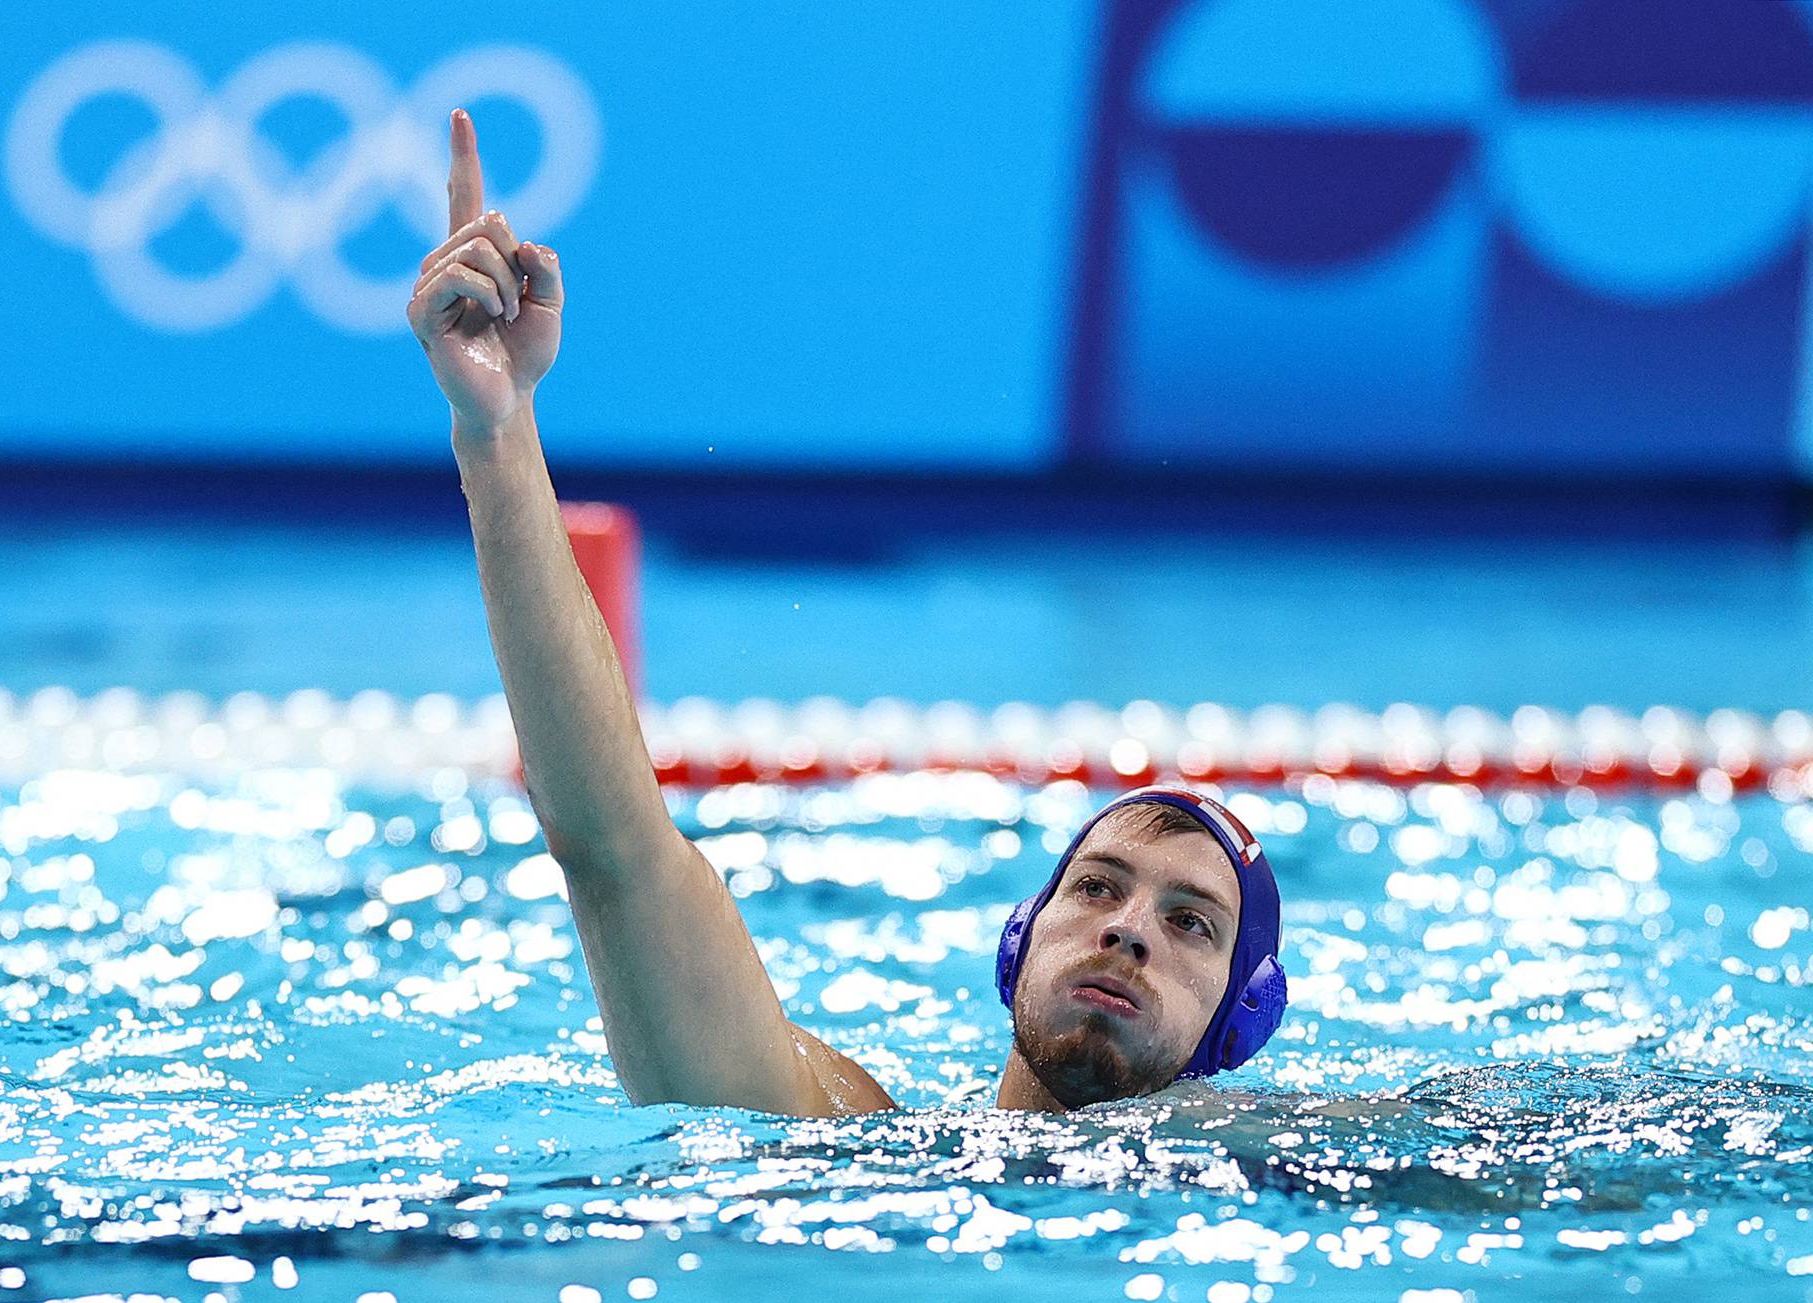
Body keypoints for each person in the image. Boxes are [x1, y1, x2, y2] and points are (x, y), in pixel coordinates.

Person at [407, 109, 1286, 1118]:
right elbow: (613, 851)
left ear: (1241, 1019)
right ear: (1019, 940)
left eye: (1192, 925)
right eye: (1096, 888)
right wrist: (497, 433)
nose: (1129, 929)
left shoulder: (1288, 1173)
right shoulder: (844, 1135)